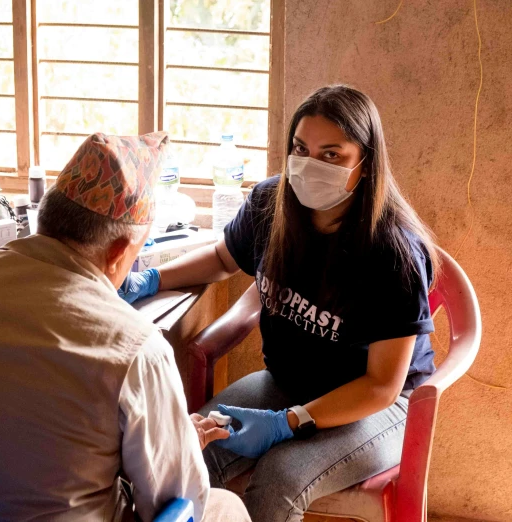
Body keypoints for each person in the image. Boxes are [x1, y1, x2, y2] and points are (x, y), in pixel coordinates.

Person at [0, 132, 251, 522]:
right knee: (225, 508)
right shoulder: (136, 347)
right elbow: (177, 499)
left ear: (45, 219)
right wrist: (177, 444)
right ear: (119, 252)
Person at [118, 85, 439, 521]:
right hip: (287, 381)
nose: (309, 165)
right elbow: (220, 258)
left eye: (331, 155)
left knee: (279, 479)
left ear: (365, 164)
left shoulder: (392, 255)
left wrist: (286, 423)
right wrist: (149, 279)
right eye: (300, 149)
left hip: (375, 405)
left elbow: (382, 385)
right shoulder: (272, 203)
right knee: (183, 449)